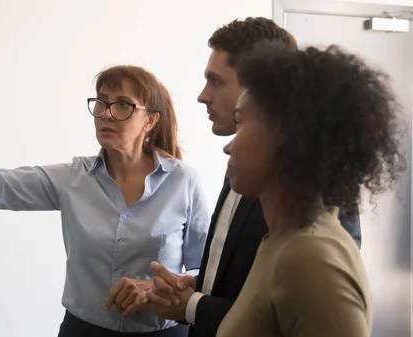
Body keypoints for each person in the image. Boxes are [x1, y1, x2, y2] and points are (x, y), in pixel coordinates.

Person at [0, 59, 211, 336]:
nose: (107, 113)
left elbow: (206, 272)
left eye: (123, 105)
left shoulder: (183, 182)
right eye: (102, 103)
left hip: (165, 333)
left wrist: (155, 287)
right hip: (83, 331)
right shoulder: (72, 178)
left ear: (150, 121)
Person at [134, 17, 363, 337]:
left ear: (260, 85)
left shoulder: (319, 204)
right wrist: (195, 287)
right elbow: (248, 281)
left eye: (215, 81)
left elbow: (288, 311)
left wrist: (191, 305)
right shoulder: (244, 168)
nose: (202, 95)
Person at [221, 41, 404, 336]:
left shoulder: (310, 256)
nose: (228, 146)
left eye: (241, 122)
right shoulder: (282, 239)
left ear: (287, 134)